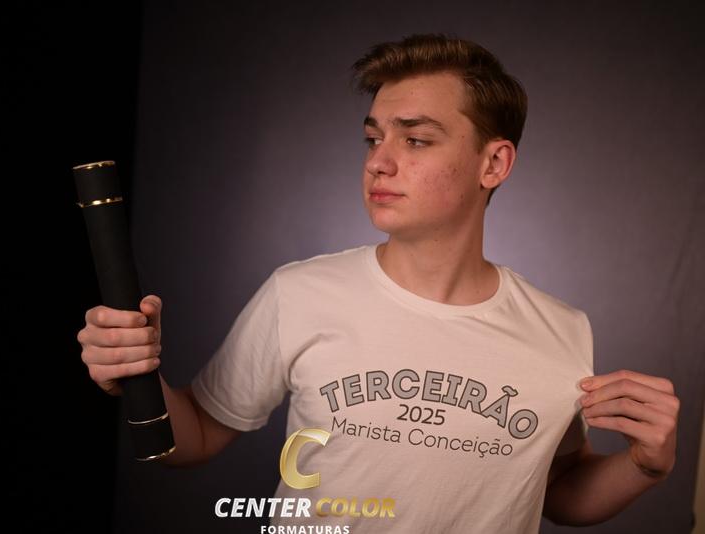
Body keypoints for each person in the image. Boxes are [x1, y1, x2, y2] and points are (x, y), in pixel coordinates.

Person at [77, 34, 679, 533]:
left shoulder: (563, 330)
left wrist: (645, 466)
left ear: (493, 163)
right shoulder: (300, 293)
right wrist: (136, 373)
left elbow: (559, 490)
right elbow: (199, 434)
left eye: (415, 139)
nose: (378, 162)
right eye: (373, 138)